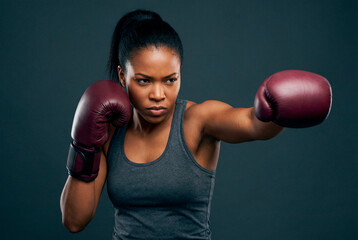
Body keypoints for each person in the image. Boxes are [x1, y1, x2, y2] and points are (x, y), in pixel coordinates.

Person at [60, 9, 332, 240]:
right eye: (144, 80)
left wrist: (278, 110)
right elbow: (74, 221)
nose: (158, 94)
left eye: (170, 79)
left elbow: (253, 124)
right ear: (122, 75)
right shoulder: (108, 131)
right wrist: (84, 144)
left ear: (180, 74)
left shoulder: (198, 121)